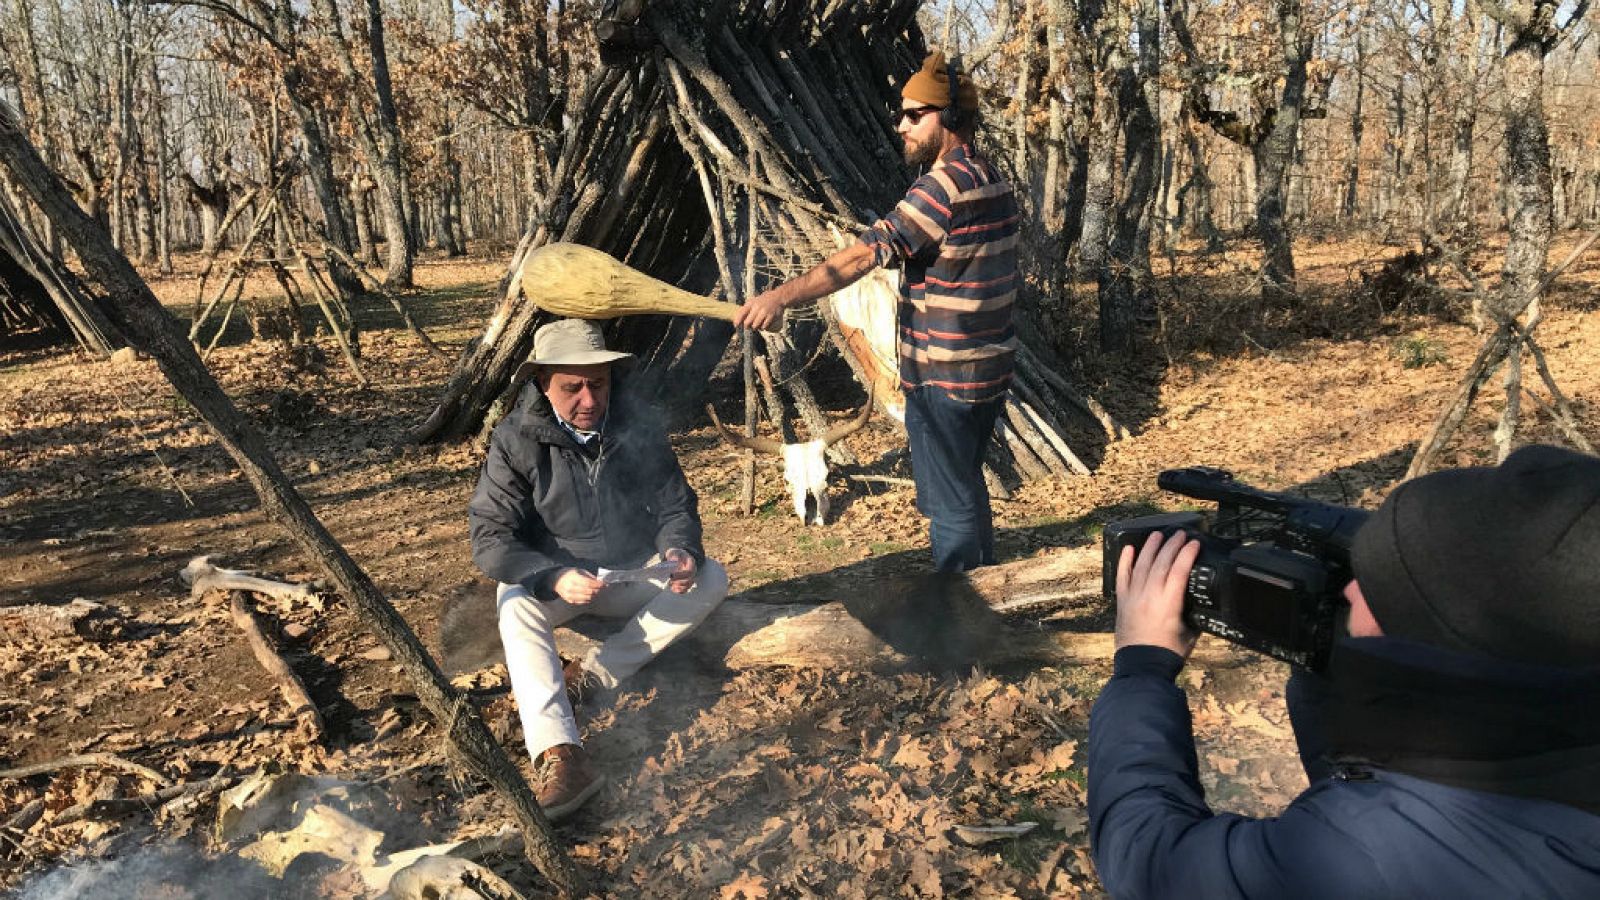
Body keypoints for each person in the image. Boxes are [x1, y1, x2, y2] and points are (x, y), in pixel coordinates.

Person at [1088, 444, 1600, 899]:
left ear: (1444, 641)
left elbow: (1150, 861)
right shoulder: (1546, 740)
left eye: (1376, 581)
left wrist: (1142, 666)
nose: (1348, 591)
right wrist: (1335, 672)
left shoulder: (1380, 856)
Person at [730, 50, 1019, 572]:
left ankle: (960, 625)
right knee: (967, 489)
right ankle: (985, 601)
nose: (900, 125)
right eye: (901, 113)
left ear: (950, 119)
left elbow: (862, 256)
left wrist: (778, 297)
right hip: (987, 371)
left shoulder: (942, 187)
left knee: (949, 509)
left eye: (915, 115)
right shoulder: (990, 177)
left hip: (944, 379)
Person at [469, 318, 729, 821]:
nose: (589, 400)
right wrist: (550, 576)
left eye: (598, 384)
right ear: (543, 383)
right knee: (514, 601)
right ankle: (561, 753)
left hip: (635, 573)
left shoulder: (638, 424)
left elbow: (676, 506)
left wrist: (680, 551)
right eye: (572, 387)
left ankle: (593, 677)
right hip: (566, 581)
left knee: (712, 577)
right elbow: (490, 535)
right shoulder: (516, 439)